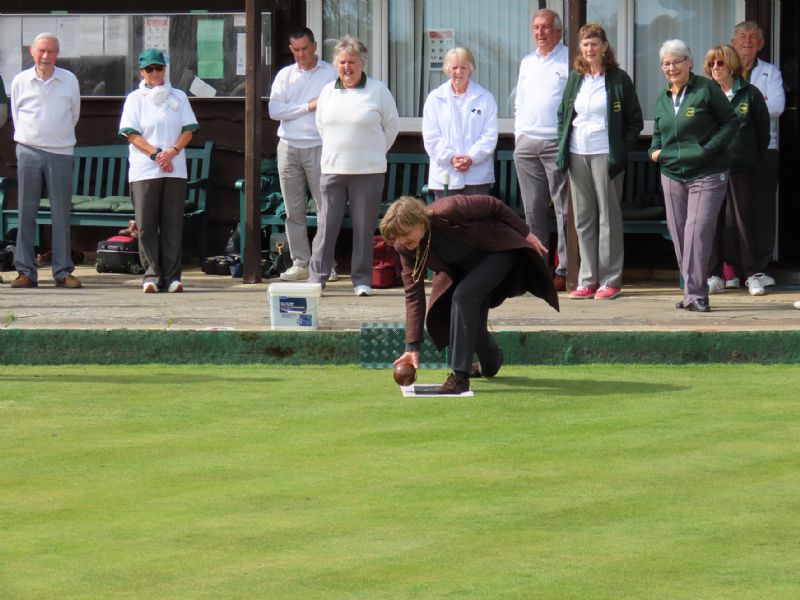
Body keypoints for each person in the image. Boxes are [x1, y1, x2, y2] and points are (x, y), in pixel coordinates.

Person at [380, 195, 558, 394]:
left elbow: (494, 205)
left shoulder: (448, 209)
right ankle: (491, 362)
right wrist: (411, 347)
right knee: (474, 330)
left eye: (406, 233)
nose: (403, 241)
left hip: (497, 252)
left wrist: (525, 233)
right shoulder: (405, 248)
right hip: (465, 272)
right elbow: (413, 294)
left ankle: (459, 377)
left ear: (420, 222)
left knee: (462, 297)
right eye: (397, 237)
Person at [649, 40, 738, 313]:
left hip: (708, 173)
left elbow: (732, 122)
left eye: (677, 61)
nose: (671, 67)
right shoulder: (663, 98)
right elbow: (657, 135)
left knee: (697, 232)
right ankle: (691, 291)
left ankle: (696, 293)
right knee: (679, 235)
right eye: (666, 63)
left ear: (689, 62)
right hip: (672, 174)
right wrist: (655, 152)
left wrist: (708, 150)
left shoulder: (706, 89)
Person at [556, 24, 643, 300]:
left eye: (594, 43)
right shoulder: (576, 78)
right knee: (583, 219)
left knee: (608, 218)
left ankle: (610, 280)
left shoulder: (619, 79)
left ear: (604, 46)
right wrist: (564, 143)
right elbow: (563, 115)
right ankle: (588, 279)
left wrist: (620, 149)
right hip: (576, 153)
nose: (590, 49)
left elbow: (634, 122)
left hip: (606, 154)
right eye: (585, 44)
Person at [308, 36, 399, 297]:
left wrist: (374, 151)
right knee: (326, 225)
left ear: (363, 63)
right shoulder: (327, 92)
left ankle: (362, 280)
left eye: (352, 62)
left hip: (368, 171)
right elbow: (322, 126)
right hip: (333, 169)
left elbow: (391, 126)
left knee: (363, 227)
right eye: (342, 62)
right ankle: (318, 277)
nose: (347, 67)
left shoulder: (378, 90)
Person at [118, 48, 199, 293]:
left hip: (174, 168)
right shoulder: (135, 99)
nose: (154, 73)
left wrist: (171, 152)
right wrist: (156, 154)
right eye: (149, 69)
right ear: (142, 72)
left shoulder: (179, 97)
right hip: (145, 170)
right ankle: (151, 275)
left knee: (172, 224)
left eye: (158, 68)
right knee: (145, 225)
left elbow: (189, 129)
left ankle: (173, 277)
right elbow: (131, 133)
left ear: (165, 69)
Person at [9, 33, 81, 289]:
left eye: (51, 51)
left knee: (61, 213)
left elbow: (74, 114)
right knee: (26, 212)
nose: (46, 56)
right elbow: (16, 115)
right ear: (32, 51)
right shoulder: (20, 81)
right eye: (41, 51)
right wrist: (34, 138)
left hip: (60, 151)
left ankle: (63, 272)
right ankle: (25, 271)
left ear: (58, 53)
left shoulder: (69, 80)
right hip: (28, 150)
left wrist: (54, 137)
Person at [268, 27, 337, 282]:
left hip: (320, 144)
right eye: (295, 50)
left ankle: (325, 263)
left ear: (315, 46)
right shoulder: (285, 75)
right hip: (287, 146)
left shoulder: (330, 73)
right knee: (292, 209)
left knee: (325, 208)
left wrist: (293, 109)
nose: (300, 54)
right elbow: (274, 110)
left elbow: (333, 104)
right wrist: (308, 106)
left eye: (304, 49)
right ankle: (301, 262)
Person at [702, 45, 770, 297]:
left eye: (720, 63)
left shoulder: (750, 93)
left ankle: (751, 275)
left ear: (731, 65)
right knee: (713, 222)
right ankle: (715, 275)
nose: (715, 68)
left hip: (741, 168)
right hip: (711, 168)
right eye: (711, 64)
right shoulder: (705, 93)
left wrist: (747, 155)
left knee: (743, 221)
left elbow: (762, 133)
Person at [514, 8, 570, 292]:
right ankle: (537, 269)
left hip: (555, 143)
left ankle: (564, 269)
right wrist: (518, 136)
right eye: (536, 27)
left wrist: (563, 140)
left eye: (545, 27)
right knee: (533, 210)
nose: (540, 32)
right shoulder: (527, 62)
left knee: (563, 210)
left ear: (558, 31)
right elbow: (520, 102)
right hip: (527, 144)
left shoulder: (569, 59)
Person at [731, 21, 785, 290]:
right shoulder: (725, 70)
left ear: (762, 44)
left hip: (766, 149)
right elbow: (721, 105)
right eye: (742, 36)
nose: (748, 41)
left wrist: (743, 106)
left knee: (763, 209)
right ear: (733, 42)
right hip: (732, 151)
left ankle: (760, 268)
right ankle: (735, 268)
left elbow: (776, 106)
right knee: (733, 212)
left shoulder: (770, 72)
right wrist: (757, 101)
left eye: (754, 37)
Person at [422, 47, 498, 199]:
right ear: (447, 70)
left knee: (476, 222)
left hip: (477, 177)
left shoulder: (485, 98)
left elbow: (489, 136)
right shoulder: (434, 98)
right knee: (446, 221)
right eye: (454, 67)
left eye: (463, 67)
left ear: (471, 69)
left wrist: (471, 157)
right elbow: (431, 136)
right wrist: (451, 158)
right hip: (445, 176)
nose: (458, 72)